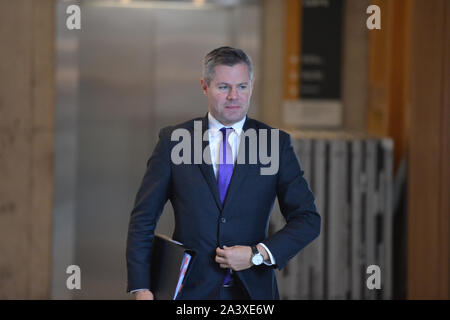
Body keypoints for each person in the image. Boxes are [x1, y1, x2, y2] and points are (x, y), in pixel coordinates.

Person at [126, 46, 320, 300]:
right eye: (223, 87)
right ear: (205, 87)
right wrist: (141, 287)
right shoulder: (174, 141)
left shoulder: (275, 144)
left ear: (251, 85)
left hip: (252, 294)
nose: (233, 96)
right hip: (189, 293)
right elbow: (143, 219)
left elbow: (308, 219)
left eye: (241, 86)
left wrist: (256, 254)